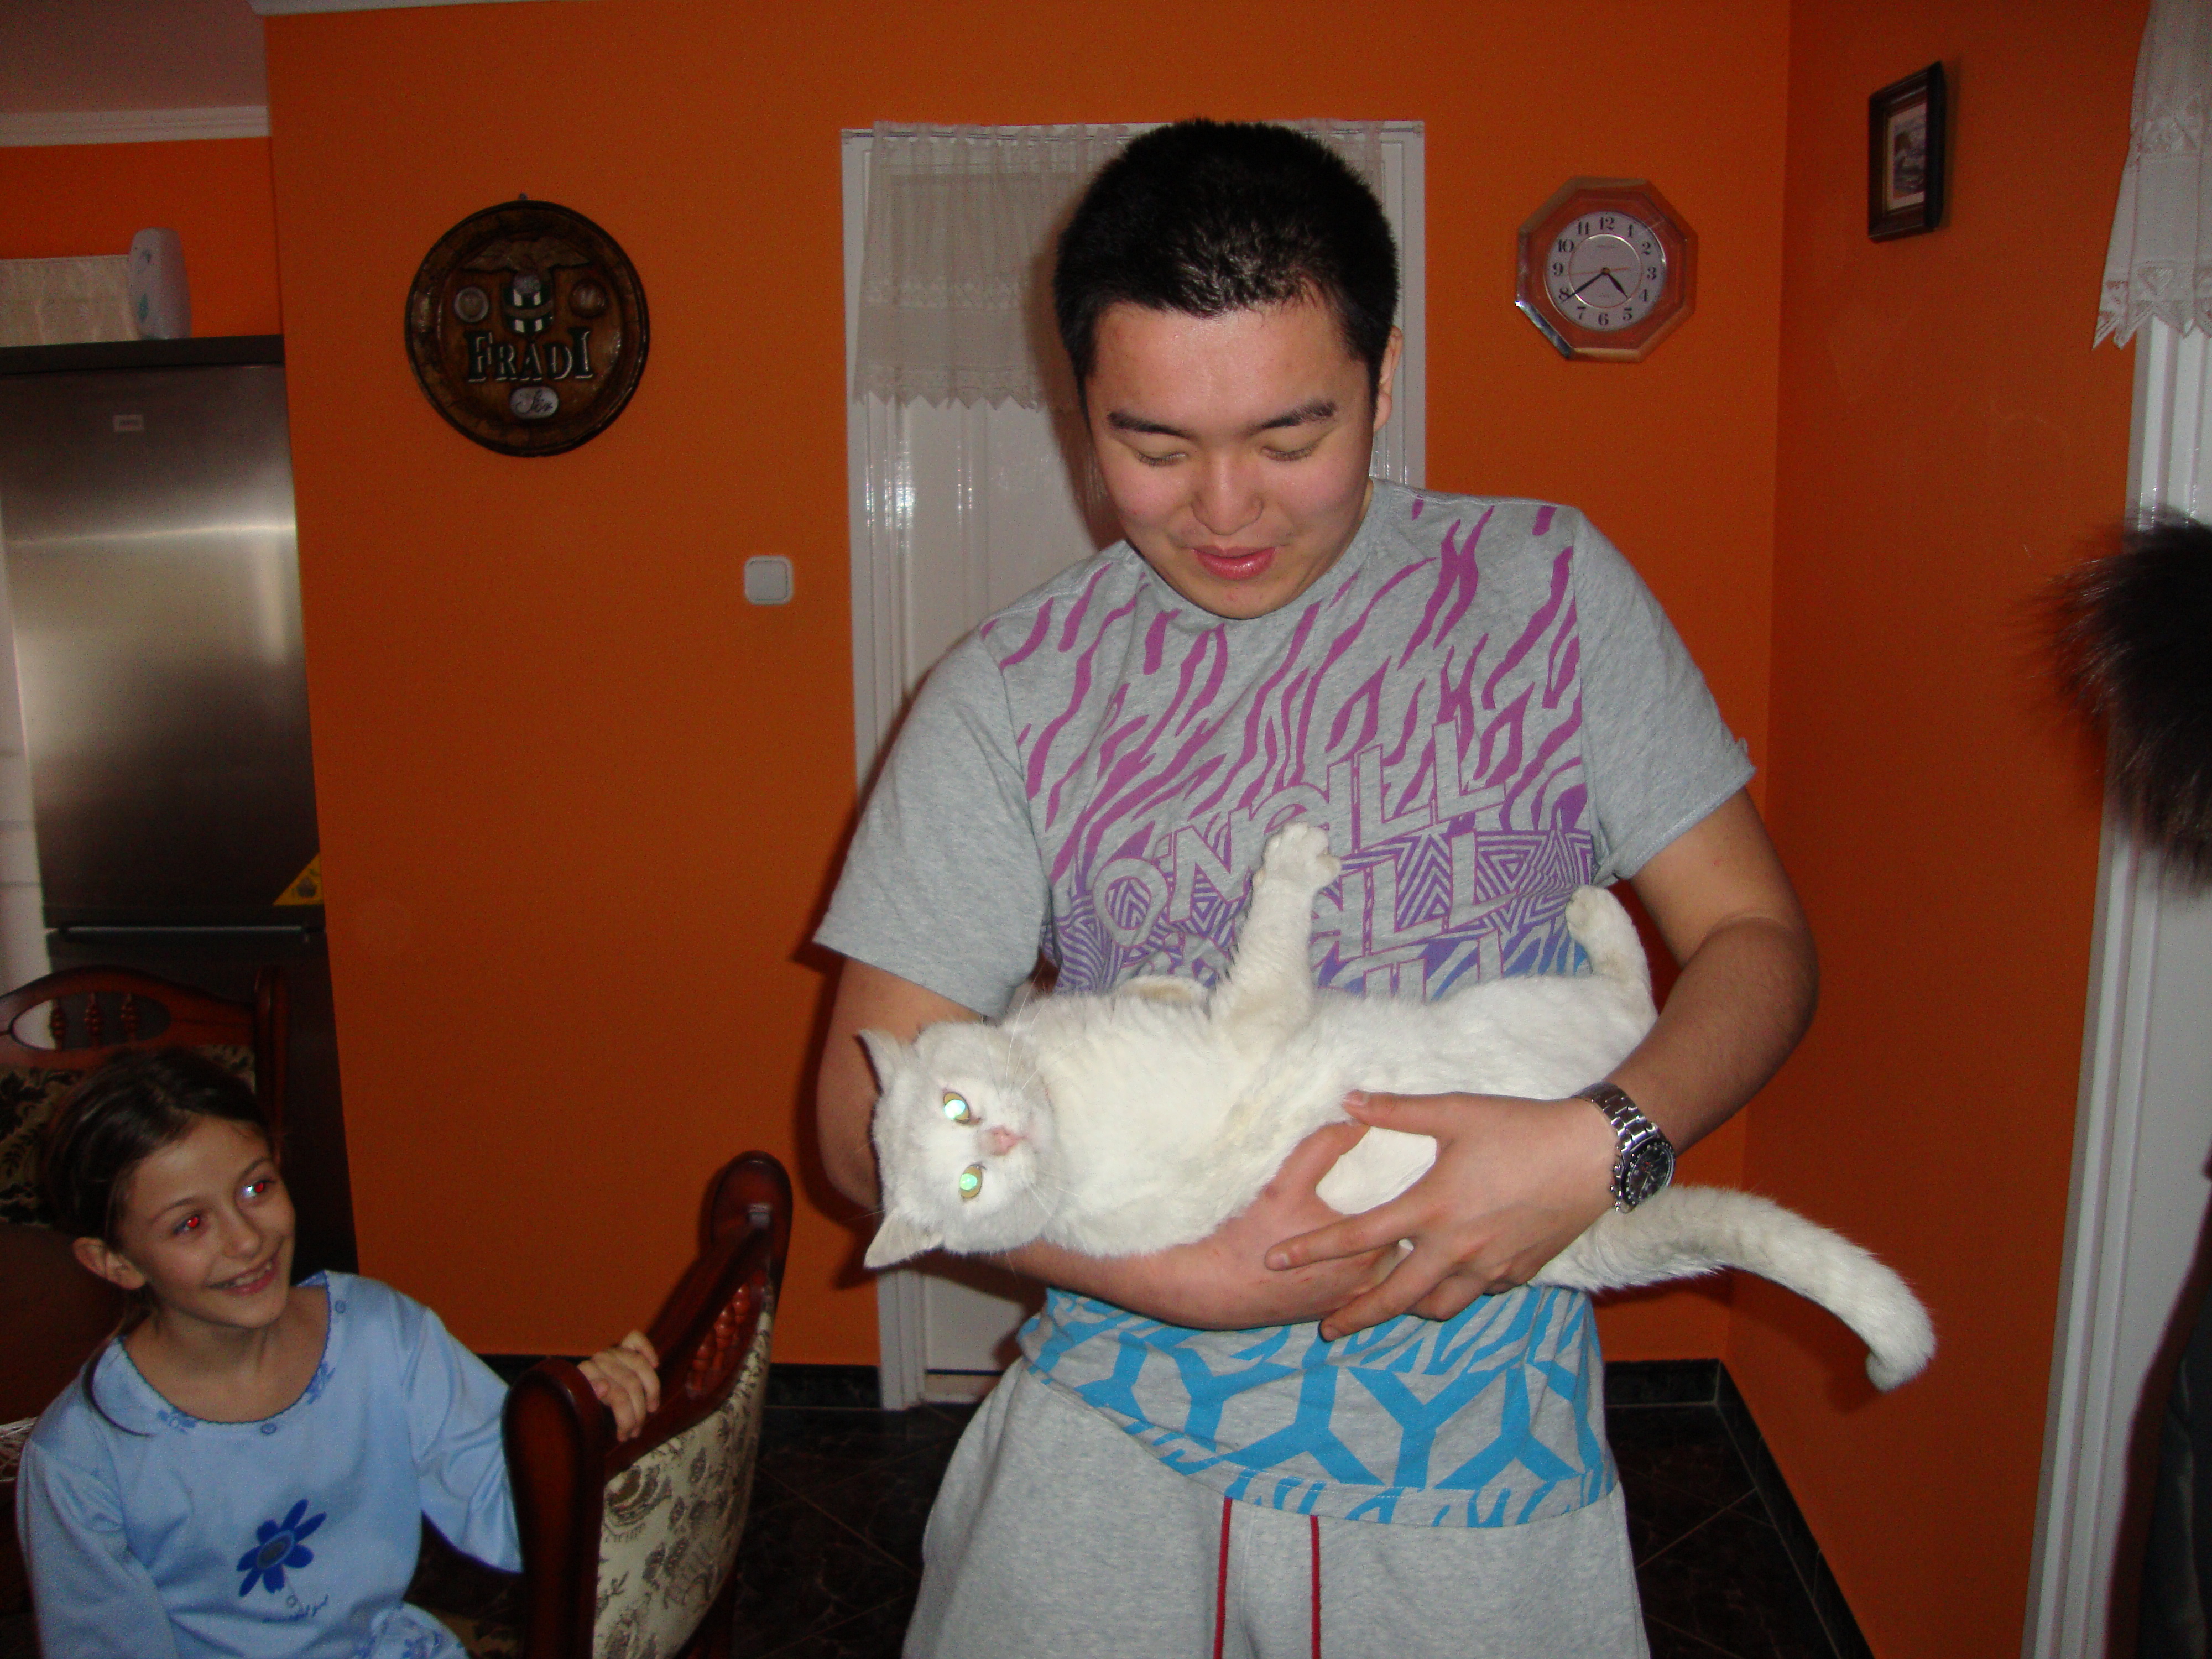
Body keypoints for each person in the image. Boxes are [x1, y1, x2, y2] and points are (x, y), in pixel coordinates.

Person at [815, 119, 1817, 1656]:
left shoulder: (1552, 593)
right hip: (1113, 1453)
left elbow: (1755, 938)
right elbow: (852, 1116)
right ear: (1080, 410)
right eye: (1154, 446)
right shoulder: (1005, 695)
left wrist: (1601, 1142)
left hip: (1483, 1471)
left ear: (1384, 377)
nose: (1226, 510)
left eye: (1291, 437)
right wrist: (1180, 1280)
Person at [14, 1047, 663, 1659]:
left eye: (256, 1188)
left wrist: (581, 1424)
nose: (246, 1240)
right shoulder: (83, 1459)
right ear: (115, 1262)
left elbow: (514, 1517)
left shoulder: (381, 1335)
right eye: (191, 1223)